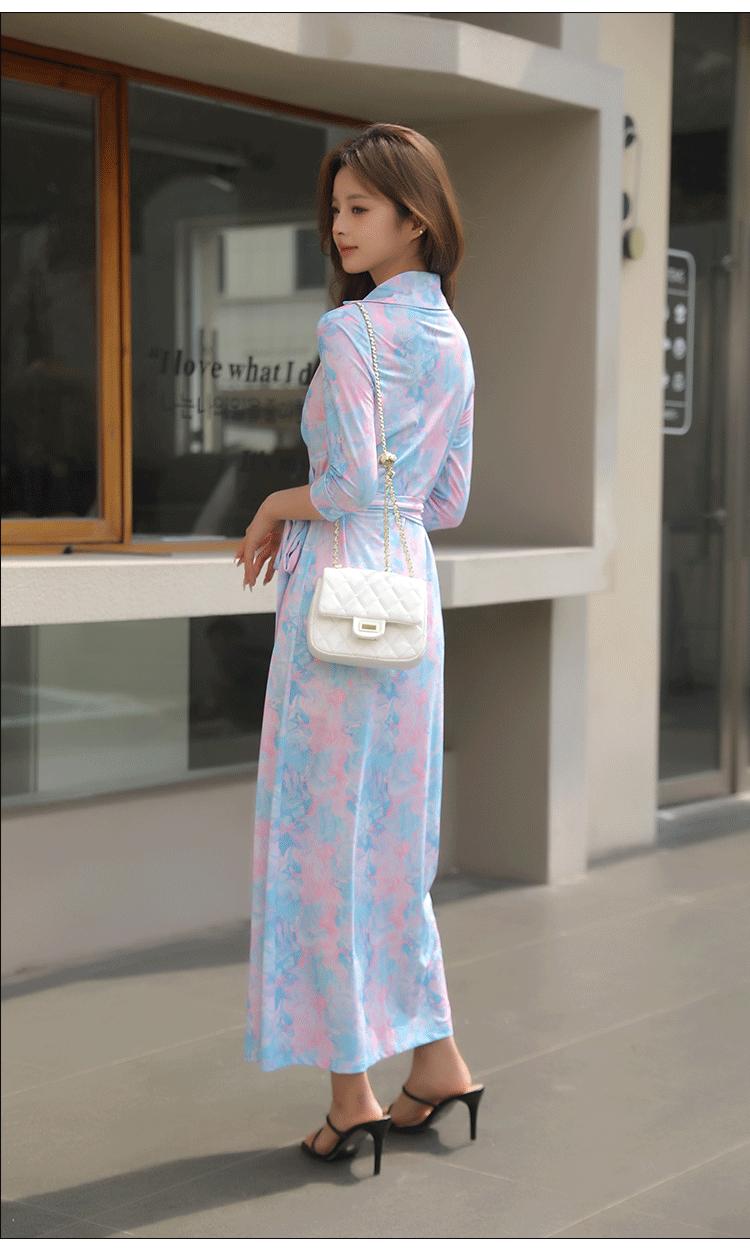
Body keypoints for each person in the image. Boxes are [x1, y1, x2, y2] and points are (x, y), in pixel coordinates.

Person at [234, 122, 484, 1173]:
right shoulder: (451, 340)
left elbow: (339, 488)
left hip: (338, 600)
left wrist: (271, 503)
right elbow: (448, 500)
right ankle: (441, 1064)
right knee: (391, 846)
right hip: (409, 599)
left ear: (412, 218)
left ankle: (353, 1097)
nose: (338, 226)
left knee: (321, 843)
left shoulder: (351, 335)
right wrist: (381, 501)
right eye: (335, 209)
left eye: (359, 209)